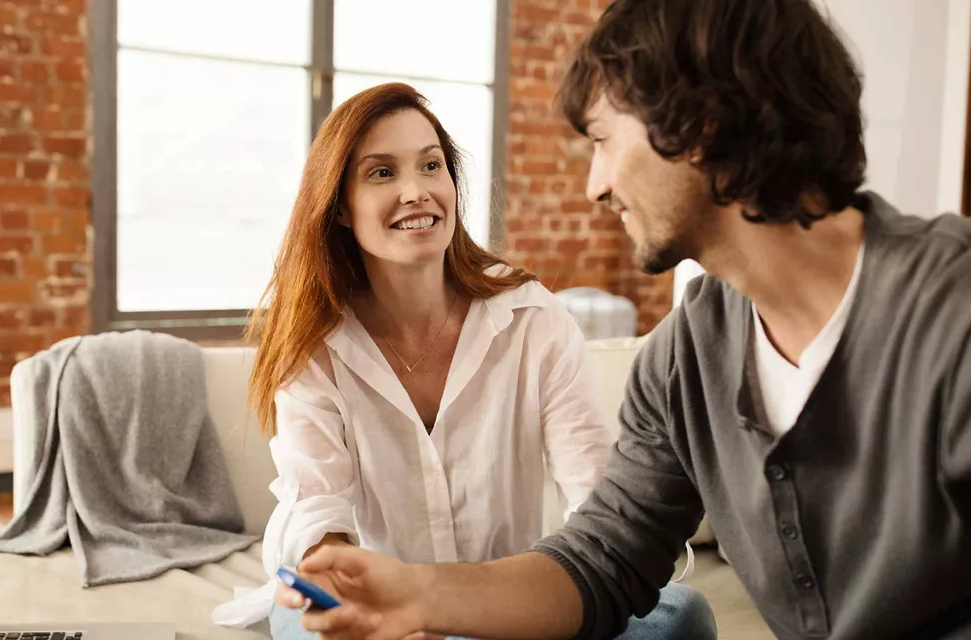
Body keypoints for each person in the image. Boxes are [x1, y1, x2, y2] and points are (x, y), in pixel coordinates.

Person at [276, 1, 971, 639]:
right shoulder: (683, 360)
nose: (595, 184)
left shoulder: (950, 315)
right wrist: (418, 595)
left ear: (702, 125)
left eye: (604, 140)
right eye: (380, 174)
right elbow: (604, 560)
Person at [211, 82, 715, 639]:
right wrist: (338, 580)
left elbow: (594, 495)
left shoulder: (533, 320)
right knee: (303, 620)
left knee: (681, 618)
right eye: (382, 173)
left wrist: (559, 601)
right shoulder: (314, 346)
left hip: (511, 604)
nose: (417, 191)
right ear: (340, 210)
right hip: (376, 602)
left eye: (432, 166)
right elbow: (317, 506)